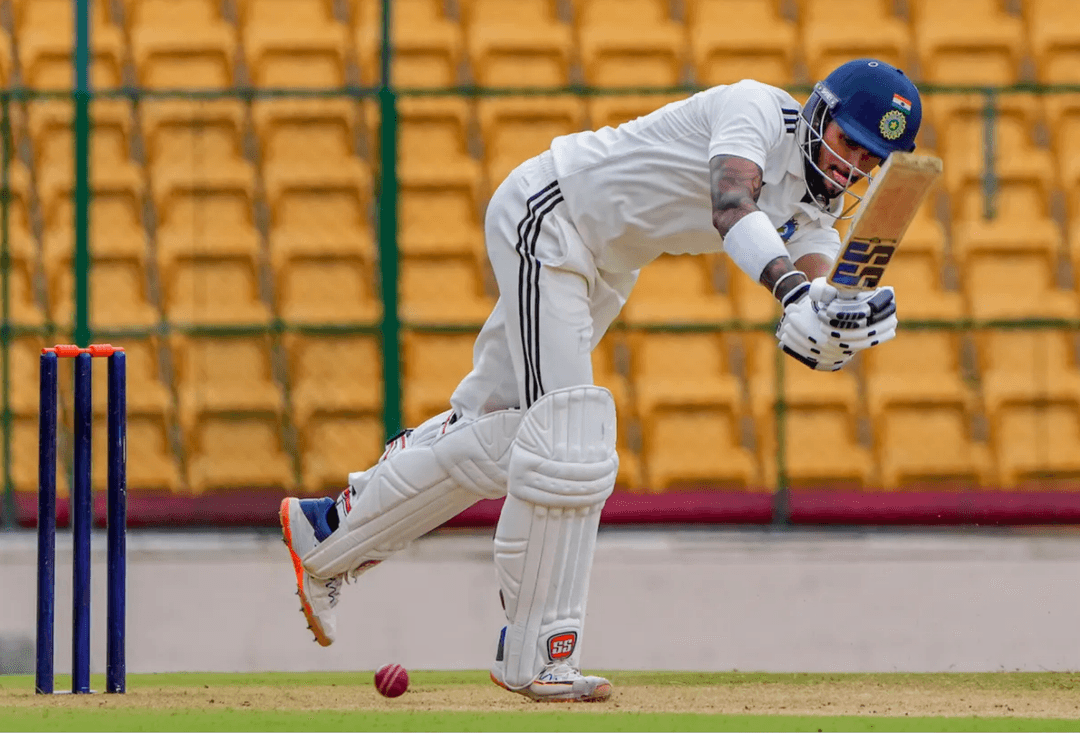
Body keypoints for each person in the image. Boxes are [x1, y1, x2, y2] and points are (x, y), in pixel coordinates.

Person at [278, 58, 921, 702]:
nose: (854, 167)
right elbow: (732, 205)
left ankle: (328, 530)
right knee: (566, 438)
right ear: (819, 113)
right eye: (848, 144)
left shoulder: (821, 201)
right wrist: (791, 293)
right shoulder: (755, 109)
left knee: (507, 431)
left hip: (609, 263)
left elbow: (812, 277)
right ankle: (535, 653)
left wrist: (829, 319)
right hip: (550, 218)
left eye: (873, 158)